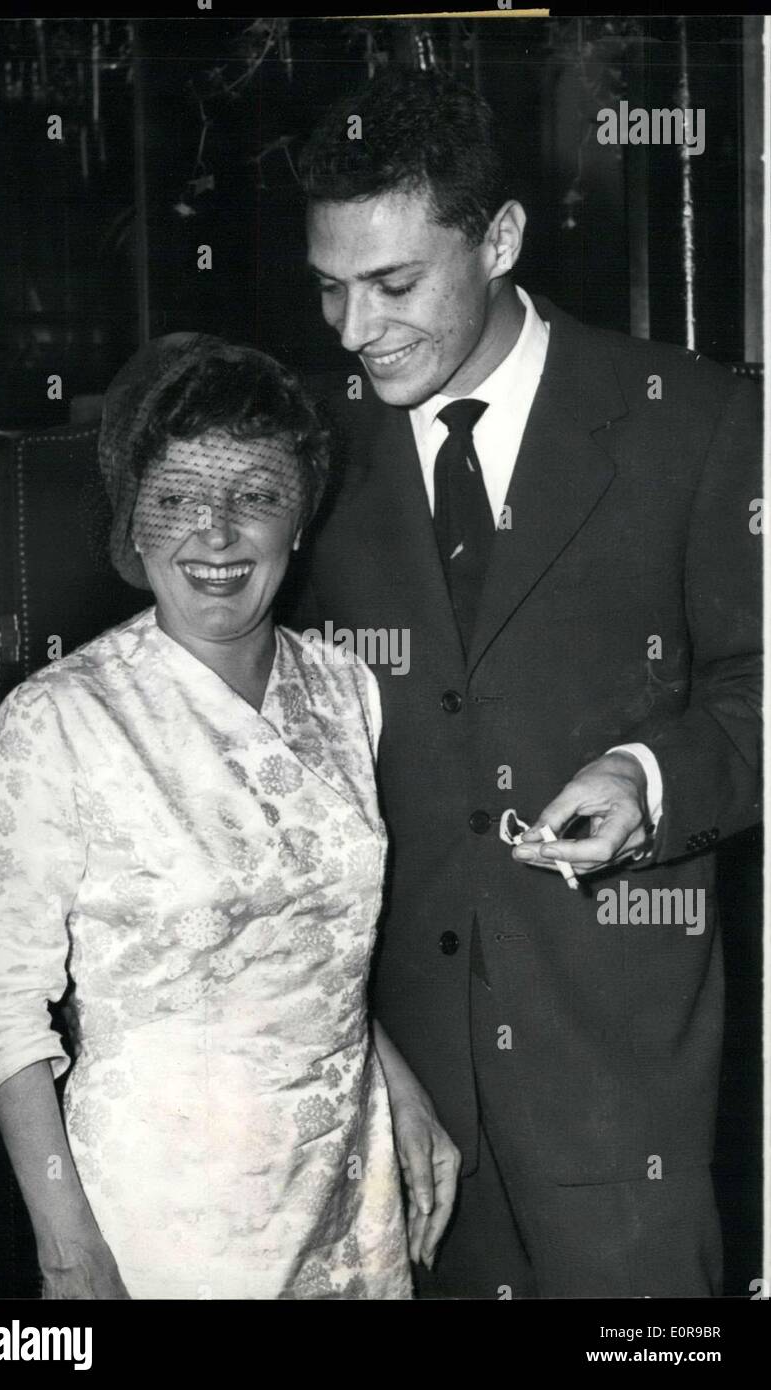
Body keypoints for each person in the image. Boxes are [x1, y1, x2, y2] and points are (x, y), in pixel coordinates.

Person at [293, 69, 762, 1298]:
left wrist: (650, 773)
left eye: (393, 285)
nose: (353, 329)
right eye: (329, 288)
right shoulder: (309, 448)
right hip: (389, 1104)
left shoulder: (691, 420)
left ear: (498, 238)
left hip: (621, 1104)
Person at [0, 333, 459, 1300]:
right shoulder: (61, 718)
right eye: (179, 498)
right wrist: (66, 1240)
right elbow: (3, 1010)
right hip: (162, 1219)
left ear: (299, 519)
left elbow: (308, 936)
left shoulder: (347, 689)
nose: (217, 533)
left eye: (256, 496)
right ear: (134, 524)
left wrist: (392, 1080)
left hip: (348, 1200)